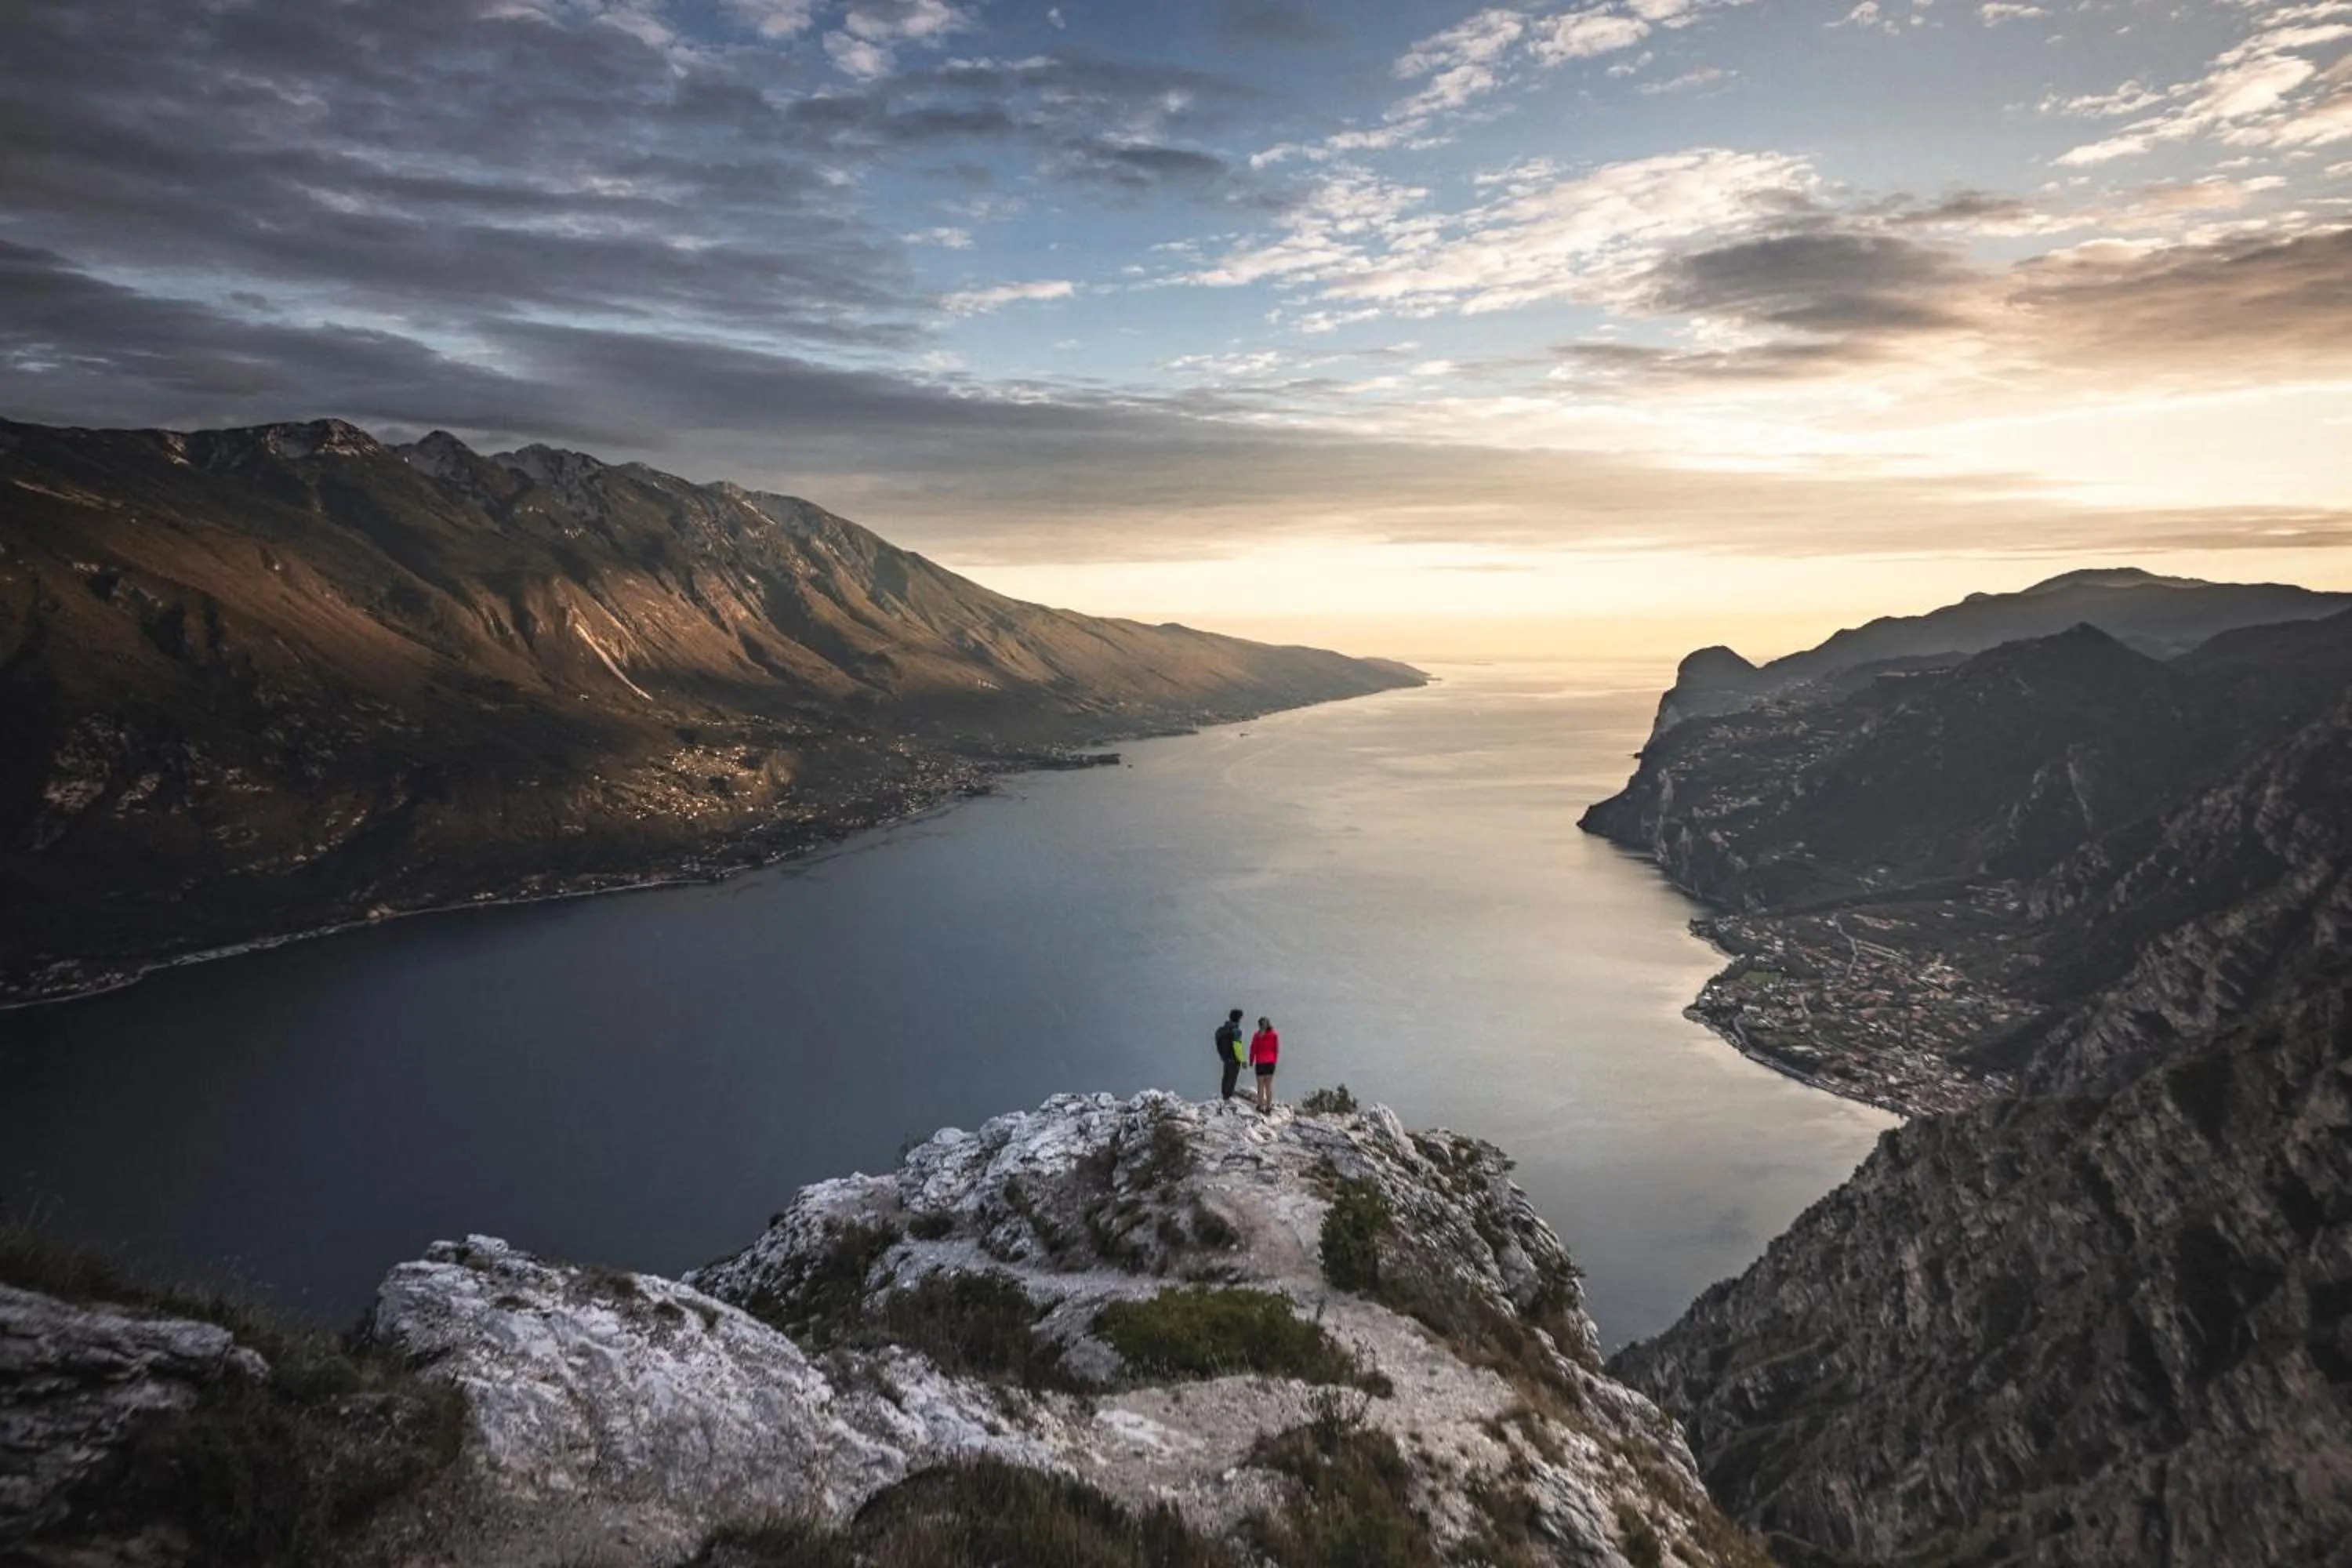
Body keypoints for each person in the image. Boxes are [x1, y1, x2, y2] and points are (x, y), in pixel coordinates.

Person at [1250, 1015, 1279, 1112]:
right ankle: (1269, 1107)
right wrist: (1274, 1060)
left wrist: (1251, 1061)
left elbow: (1253, 1049)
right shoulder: (1274, 1035)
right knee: (1268, 1086)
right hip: (1270, 1063)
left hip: (1260, 1063)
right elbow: (1276, 1050)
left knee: (1260, 1085)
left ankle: (1260, 1105)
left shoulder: (1257, 1036)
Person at [1214, 1008, 1245, 1101]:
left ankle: (1224, 1097)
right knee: (1232, 1080)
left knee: (1226, 1078)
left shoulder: (1221, 1030)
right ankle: (1228, 1099)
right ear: (1239, 1019)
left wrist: (1222, 1055)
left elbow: (1218, 1043)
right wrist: (1242, 1060)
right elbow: (1237, 1046)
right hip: (1234, 1059)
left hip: (1225, 1058)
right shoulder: (1236, 1031)